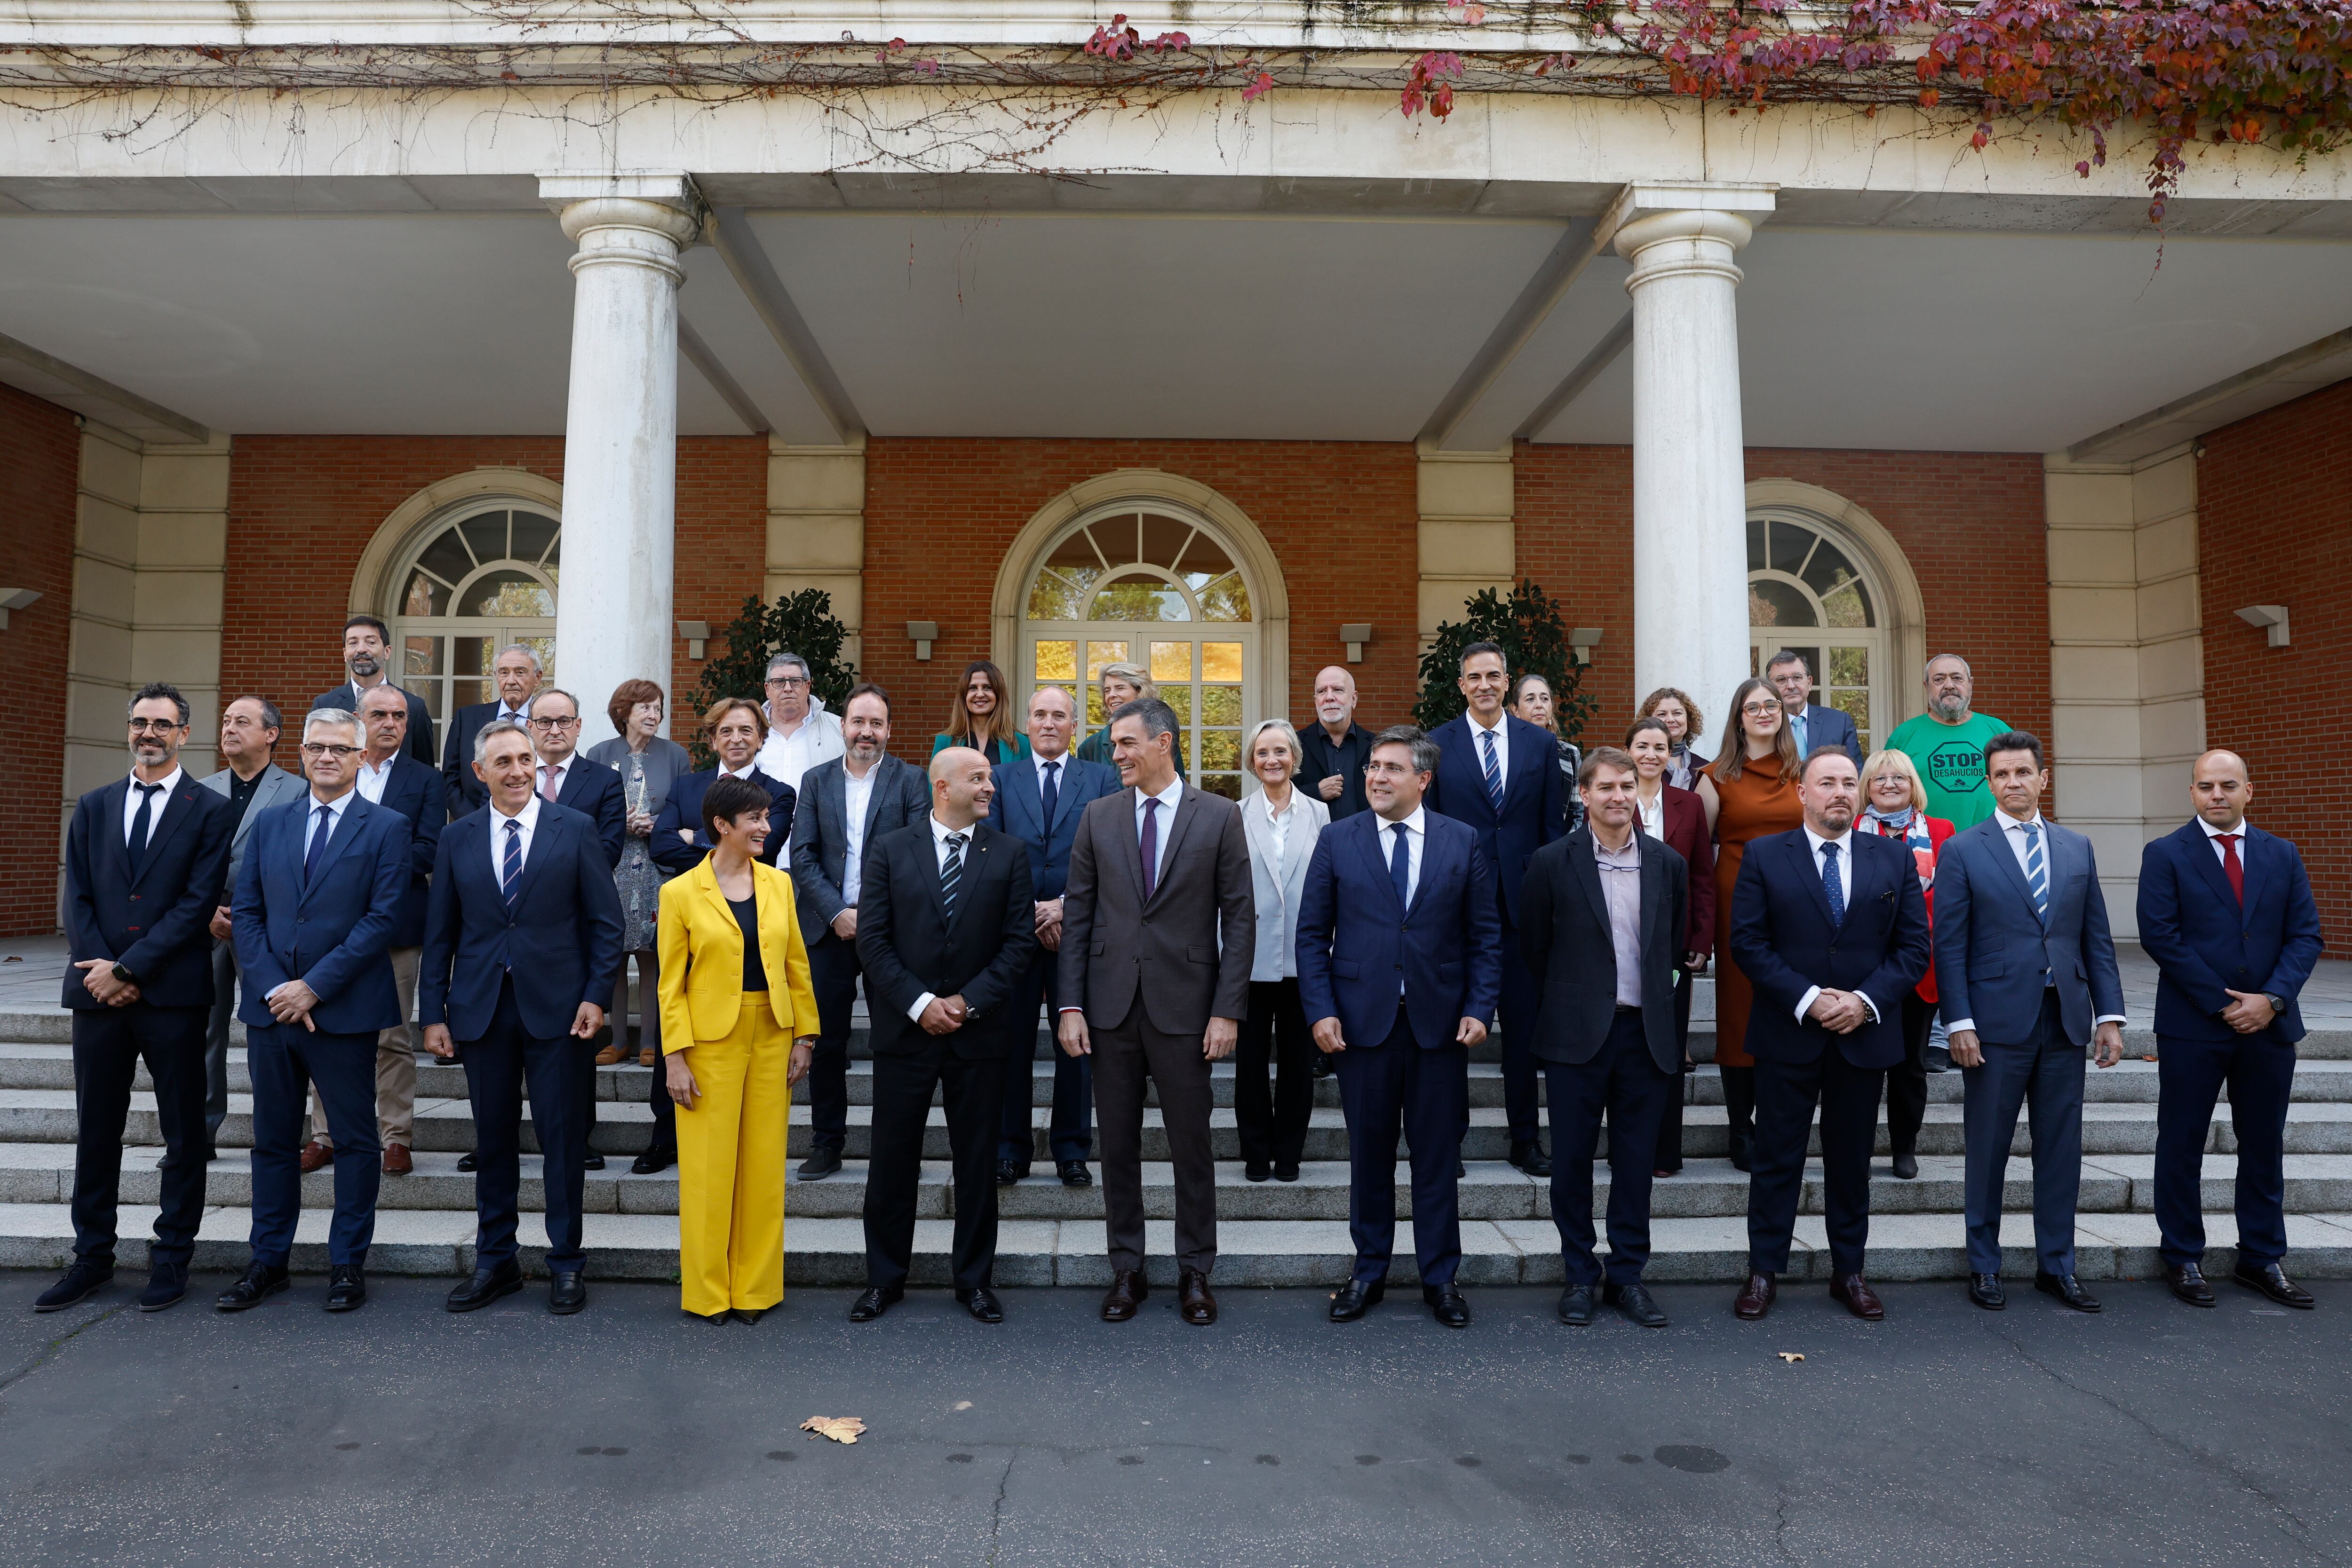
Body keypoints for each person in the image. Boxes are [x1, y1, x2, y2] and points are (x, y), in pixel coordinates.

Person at [1057, 697, 1253, 1326]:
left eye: (1125, 742)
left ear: (1163, 742)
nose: (1115, 754)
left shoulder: (1220, 816)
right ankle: (1128, 1270)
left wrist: (1227, 1010)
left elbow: (1240, 917)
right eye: (1115, 744)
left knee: (1191, 1144)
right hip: (1110, 1007)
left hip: (1187, 1010)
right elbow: (1079, 916)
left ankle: (1196, 1270)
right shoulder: (1098, 816)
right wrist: (1070, 1005)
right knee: (1116, 1145)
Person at [40, 683, 234, 1315]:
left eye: (163, 723)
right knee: (97, 1130)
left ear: (184, 733)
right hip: (97, 994)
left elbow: (196, 903)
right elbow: (82, 898)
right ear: (129, 729)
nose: (149, 732)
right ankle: (91, 1257)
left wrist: (130, 967)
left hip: (172, 995)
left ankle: (171, 1256)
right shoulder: (93, 806)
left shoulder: (209, 809)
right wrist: (102, 970)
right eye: (140, 722)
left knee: (184, 1134)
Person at [1295, 726, 1499, 1328]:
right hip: (1361, 1026)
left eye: (1390, 768)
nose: (1376, 777)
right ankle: (1368, 1271)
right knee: (1370, 1156)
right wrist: (1320, 1009)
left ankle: (1441, 1277)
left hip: (1440, 1027)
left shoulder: (1461, 842)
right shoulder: (1338, 839)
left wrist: (1479, 1008)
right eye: (1372, 768)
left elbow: (1485, 938)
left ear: (1422, 779)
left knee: (1436, 1158)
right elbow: (1311, 936)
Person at [418, 719, 622, 1315]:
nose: (516, 771)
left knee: (562, 1140)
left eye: (524, 759)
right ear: (479, 773)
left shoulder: (576, 829)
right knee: (493, 1141)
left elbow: (605, 925)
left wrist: (596, 997)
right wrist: (434, 1012)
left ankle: (565, 1263)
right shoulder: (457, 839)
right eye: (502, 761)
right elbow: (441, 934)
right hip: (480, 1011)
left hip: (561, 1011)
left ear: (537, 765)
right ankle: (496, 1260)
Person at [220, 707, 413, 1315]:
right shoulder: (271, 824)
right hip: (271, 1010)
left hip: (345, 1010)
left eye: (339, 748)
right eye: (316, 748)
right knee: (274, 1142)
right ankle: (268, 1260)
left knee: (356, 1141)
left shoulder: (387, 828)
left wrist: (314, 987)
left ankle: (347, 1264)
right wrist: (279, 986)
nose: (327, 757)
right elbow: (246, 914)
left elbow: (382, 919)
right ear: (299, 755)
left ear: (360, 757)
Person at [1728, 748, 1929, 1323]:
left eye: (1848, 782)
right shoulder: (1766, 856)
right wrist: (1807, 998)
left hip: (1862, 1036)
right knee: (1775, 1160)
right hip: (1787, 1034)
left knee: (1851, 1163)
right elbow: (1748, 943)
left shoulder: (1892, 859)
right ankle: (1763, 1272)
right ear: (1802, 793)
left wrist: (1863, 1002)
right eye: (1827, 783)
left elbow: (1913, 948)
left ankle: (1849, 1272)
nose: (1839, 792)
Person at [1935, 731, 2126, 1314]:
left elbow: (2094, 935)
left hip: (2064, 1020)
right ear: (1988, 783)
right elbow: (1948, 945)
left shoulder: (2076, 847)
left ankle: (2056, 1266)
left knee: (2060, 1149)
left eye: (2023, 772)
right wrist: (1957, 1021)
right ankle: (1984, 1265)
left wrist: (2109, 1015)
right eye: (2001, 774)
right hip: (1993, 1023)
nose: (2013, 782)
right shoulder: (1964, 849)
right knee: (1987, 1149)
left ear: (2043, 778)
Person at [849, 748, 1039, 1323]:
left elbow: (1018, 944)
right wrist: (920, 1002)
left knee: (977, 1163)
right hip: (905, 1034)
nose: (989, 788)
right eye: (977, 779)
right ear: (942, 787)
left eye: (989, 779)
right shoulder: (890, 849)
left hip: (977, 1036)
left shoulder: (1009, 854)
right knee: (891, 1162)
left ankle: (974, 1281)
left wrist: (967, 1001)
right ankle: (884, 1279)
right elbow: (873, 941)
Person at [2138, 750, 2326, 1310]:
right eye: (2204, 786)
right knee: (2180, 1143)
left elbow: (2305, 935)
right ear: (2191, 793)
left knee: (2263, 1144)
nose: (2215, 794)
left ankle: (2260, 1257)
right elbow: (2160, 936)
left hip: (2268, 1028)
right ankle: (2181, 1255)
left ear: (2249, 790)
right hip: (2193, 1025)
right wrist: (2226, 1005)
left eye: (2226, 785)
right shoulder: (2165, 854)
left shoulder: (2282, 854)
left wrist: (2270, 1000)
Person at [1520, 747, 1687, 1329]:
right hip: (1575, 1037)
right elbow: (1534, 949)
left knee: (1635, 1164)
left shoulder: (1667, 863)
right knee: (1570, 1162)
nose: (1618, 796)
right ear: (1584, 795)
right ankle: (1577, 1274)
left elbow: (1671, 944)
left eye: (1627, 785)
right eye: (1606, 787)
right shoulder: (1549, 862)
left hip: (1645, 1035)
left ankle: (1627, 1276)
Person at [655, 774, 820, 1323]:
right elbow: (669, 984)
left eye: (766, 818)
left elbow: (796, 962)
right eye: (754, 819)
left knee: (763, 1166)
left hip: (772, 1033)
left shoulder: (778, 884)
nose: (765, 827)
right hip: (706, 1042)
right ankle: (706, 1293)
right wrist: (673, 1058)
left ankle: (755, 1290)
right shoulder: (678, 892)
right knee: (707, 1170)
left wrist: (805, 1034)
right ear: (722, 826)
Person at [1424, 642, 1567, 1177]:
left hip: (1521, 913)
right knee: (1448, 1034)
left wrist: (1552, 905)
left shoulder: (1538, 744)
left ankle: (1525, 1139)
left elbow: (1551, 830)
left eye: (1493, 675)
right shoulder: (1437, 744)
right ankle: (1448, 1141)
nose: (1484, 684)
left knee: (1524, 1036)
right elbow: (1430, 829)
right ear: (1460, 685)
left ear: (1506, 683)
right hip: (1454, 912)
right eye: (1473, 677)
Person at [786, 683, 930, 1182]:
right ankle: (827, 1143)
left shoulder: (912, 781)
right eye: (857, 721)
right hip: (827, 932)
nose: (865, 732)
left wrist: (867, 915)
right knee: (826, 1041)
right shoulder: (816, 781)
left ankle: (895, 1146)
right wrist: (835, 912)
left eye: (875, 723)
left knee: (894, 1040)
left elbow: (918, 853)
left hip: (888, 932)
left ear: (888, 730)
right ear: (842, 726)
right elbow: (801, 855)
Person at [300, 683, 444, 1178]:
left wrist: (364, 864)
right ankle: (326, 1134)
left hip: (395, 926)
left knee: (393, 1037)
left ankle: (395, 1137)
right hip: (328, 928)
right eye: (379, 713)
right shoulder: (329, 768)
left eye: (399, 715)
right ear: (360, 721)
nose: (390, 722)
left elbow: (428, 850)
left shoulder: (425, 780)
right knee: (326, 1031)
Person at [986, 685, 1119, 1187]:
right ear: (1027, 722)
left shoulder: (1102, 779)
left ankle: (1071, 1151)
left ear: (1073, 725)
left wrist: (1064, 906)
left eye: (1058, 715)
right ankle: (1009, 1150)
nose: (1048, 723)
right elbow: (994, 855)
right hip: (1016, 936)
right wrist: (1034, 915)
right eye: (1039, 714)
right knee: (1012, 1045)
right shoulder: (1002, 778)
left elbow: (1110, 853)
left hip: (1079, 932)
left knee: (1076, 1046)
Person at [1695, 676, 1805, 1172]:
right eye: (1752, 706)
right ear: (1738, 717)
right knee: (1739, 1012)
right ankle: (1740, 1128)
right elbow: (1696, 852)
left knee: (1789, 1006)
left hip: (1797, 901)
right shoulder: (1716, 774)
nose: (1764, 712)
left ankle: (1780, 1121)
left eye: (1772, 705)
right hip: (1737, 900)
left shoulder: (1803, 772)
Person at [200, 696, 304, 1160]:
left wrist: (248, 912)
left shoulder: (298, 790)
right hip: (206, 923)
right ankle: (200, 1131)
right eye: (226, 721)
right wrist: (205, 910)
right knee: (204, 1028)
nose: (229, 729)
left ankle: (277, 1133)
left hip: (267, 925)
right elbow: (181, 863)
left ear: (271, 734)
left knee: (272, 1029)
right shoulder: (199, 789)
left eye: (242, 722)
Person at [582, 679, 694, 1072]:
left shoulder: (676, 755)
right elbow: (587, 808)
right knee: (610, 955)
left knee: (652, 956)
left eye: (658, 708)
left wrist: (657, 823)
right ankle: (615, 1041)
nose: (653, 715)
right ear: (624, 711)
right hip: (609, 865)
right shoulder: (599, 753)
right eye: (645, 707)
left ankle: (650, 1042)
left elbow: (685, 811)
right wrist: (617, 823)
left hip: (656, 866)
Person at [1236, 719, 1329, 1183]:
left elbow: (1328, 887)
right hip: (1249, 959)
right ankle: (1255, 1154)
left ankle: (1289, 1153)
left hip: (1303, 957)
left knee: (1297, 1064)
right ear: (1251, 761)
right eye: (1262, 753)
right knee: (1250, 1065)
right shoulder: (1234, 814)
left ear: (1294, 756)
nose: (1271, 760)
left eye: (1280, 751)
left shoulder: (1319, 815)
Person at [1857, 748, 1955, 1181]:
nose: (1890, 785)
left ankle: (1904, 1147)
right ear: (1867, 789)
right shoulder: (1850, 832)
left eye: (1899, 778)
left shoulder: (1941, 831)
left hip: (1919, 967)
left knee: (1910, 1067)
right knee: (1858, 1067)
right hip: (1861, 970)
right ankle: (1854, 1147)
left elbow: (1950, 898)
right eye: (1880, 779)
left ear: (1914, 785)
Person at [1622, 717, 1714, 1179]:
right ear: (1628, 751)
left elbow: (1702, 875)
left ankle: (1665, 1153)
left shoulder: (1690, 804)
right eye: (1641, 746)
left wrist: (1700, 939)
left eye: (1659, 747)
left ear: (1670, 754)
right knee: (1625, 1049)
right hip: (1622, 943)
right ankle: (1626, 1148)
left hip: (1673, 947)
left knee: (1667, 1048)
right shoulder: (1611, 799)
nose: (1650, 755)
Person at [654, 697, 797, 876]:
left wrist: (696, 837)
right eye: (726, 732)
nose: (736, 739)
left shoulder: (779, 794)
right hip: (692, 898)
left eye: (746, 730)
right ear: (714, 741)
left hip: (750, 899)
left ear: (760, 739)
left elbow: (764, 850)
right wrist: (737, 851)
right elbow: (660, 847)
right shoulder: (684, 787)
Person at [1883, 654, 2010, 830]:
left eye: (1957, 678)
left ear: (1970, 684)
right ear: (1927, 687)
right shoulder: (1904, 736)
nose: (1949, 686)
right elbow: (1886, 797)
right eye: (1939, 679)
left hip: (1992, 840)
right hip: (1925, 844)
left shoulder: (1999, 731)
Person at [316, 614, 436, 771]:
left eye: (370, 642)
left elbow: (424, 770)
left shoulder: (414, 707)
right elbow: (312, 766)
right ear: (345, 654)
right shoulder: (325, 704)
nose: (361, 649)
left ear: (387, 652)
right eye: (353, 643)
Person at [524, 688, 626, 869]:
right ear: (530, 727)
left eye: (564, 721)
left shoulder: (606, 781)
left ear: (577, 726)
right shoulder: (512, 777)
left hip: (576, 892)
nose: (555, 731)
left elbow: (608, 852)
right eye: (545, 722)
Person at [442, 642, 543, 815]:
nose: (511, 681)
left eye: (520, 672)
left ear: (538, 678)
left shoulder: (549, 723)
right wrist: (473, 820)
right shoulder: (466, 718)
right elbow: (450, 779)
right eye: (504, 673)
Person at [753, 649, 845, 792]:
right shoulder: (750, 729)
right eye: (779, 682)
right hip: (763, 815)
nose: (788, 689)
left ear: (807, 687)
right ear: (767, 689)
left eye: (795, 681)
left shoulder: (839, 729)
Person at [1073, 663, 1186, 779]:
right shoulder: (1090, 747)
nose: (1111, 695)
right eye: (1107, 690)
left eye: (1120, 688)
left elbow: (1177, 784)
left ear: (1140, 691)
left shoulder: (1162, 739)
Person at [1296, 665, 1375, 822]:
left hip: (1362, 841)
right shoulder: (1295, 745)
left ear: (1354, 699)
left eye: (1338, 690)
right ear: (1316, 701)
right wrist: (1316, 791)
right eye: (1322, 691)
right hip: (1313, 842)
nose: (1329, 697)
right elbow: (1279, 795)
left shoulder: (1375, 745)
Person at [1510, 672, 1584, 833]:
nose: (1539, 705)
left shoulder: (1570, 753)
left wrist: (1568, 848)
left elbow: (1580, 810)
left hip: (1562, 848)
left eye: (1545, 699)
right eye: (1530, 699)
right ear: (1515, 710)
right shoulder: (1506, 751)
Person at [1764, 649, 1862, 768]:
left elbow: (1856, 772)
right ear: (1769, 688)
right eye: (1781, 680)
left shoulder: (1840, 723)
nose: (1791, 686)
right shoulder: (1764, 725)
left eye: (1797, 678)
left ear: (1809, 683)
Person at [933, 659, 1033, 766]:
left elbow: (1027, 782)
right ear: (964, 696)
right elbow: (934, 782)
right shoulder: (944, 742)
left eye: (987, 688)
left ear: (998, 695)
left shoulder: (1021, 743)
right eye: (973, 688)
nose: (980, 694)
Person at [1638, 687, 1710, 792]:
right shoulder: (1640, 763)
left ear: (1689, 719)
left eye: (1677, 713)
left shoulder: (1704, 768)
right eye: (1662, 714)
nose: (1671, 720)